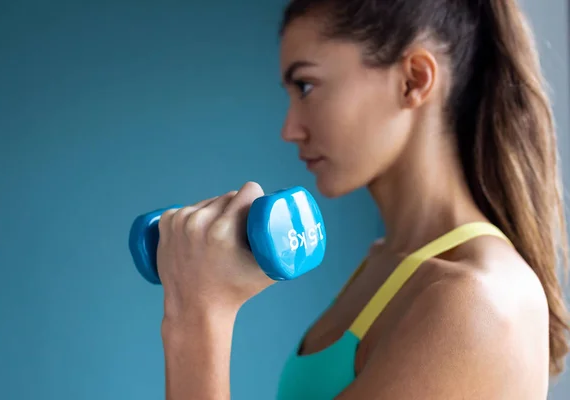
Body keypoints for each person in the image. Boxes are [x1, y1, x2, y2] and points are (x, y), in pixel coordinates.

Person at [155, 0, 570, 398]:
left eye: (306, 85)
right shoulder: (385, 262)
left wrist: (198, 316)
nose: (290, 128)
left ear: (413, 80)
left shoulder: (477, 303)